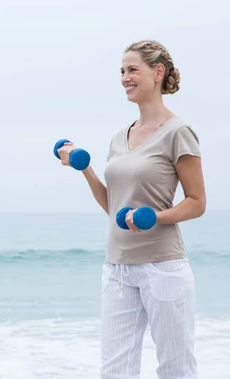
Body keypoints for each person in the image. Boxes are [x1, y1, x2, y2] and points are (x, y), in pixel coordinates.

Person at [58, 40, 206, 378]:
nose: (125, 77)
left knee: (175, 368)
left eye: (132, 70)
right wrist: (84, 168)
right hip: (117, 269)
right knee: (115, 371)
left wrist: (156, 217)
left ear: (158, 72)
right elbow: (115, 206)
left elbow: (197, 202)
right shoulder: (119, 137)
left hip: (163, 267)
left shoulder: (178, 132)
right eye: (122, 71)